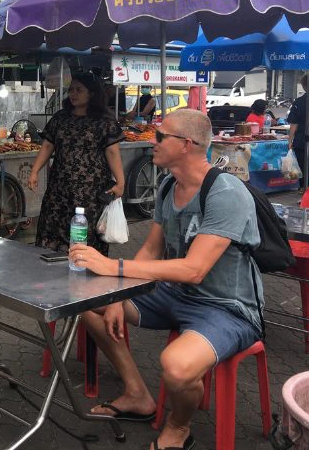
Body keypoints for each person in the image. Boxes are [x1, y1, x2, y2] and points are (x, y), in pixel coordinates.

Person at [69, 109, 262, 450]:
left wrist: (113, 267)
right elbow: (150, 252)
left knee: (175, 365)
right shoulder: (169, 186)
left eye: (160, 137)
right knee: (87, 302)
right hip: (175, 294)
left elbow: (194, 269)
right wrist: (116, 293)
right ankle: (137, 394)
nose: (151, 141)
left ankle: (178, 427)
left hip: (227, 306)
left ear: (186, 144)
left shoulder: (226, 192)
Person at [27, 72, 125, 254]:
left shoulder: (104, 122)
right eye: (71, 90)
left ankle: (87, 267)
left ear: (92, 93)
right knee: (53, 226)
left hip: (91, 190)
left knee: (85, 231)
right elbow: (48, 146)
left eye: (79, 90)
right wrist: (34, 171)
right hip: (59, 186)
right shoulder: (60, 118)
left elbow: (112, 152)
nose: (73, 94)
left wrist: (121, 182)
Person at [288, 73, 309, 189]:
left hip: (301, 139)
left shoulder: (299, 102)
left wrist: (290, 140)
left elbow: (294, 123)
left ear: (305, 85)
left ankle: (305, 192)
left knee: (303, 167)